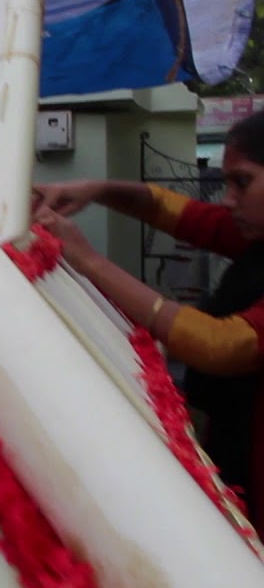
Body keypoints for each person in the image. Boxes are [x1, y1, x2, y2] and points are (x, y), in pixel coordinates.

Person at [32, 111, 264, 528]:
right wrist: (95, 189)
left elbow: (223, 345)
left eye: (242, 182)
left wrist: (88, 261)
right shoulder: (255, 233)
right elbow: (174, 212)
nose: (228, 198)